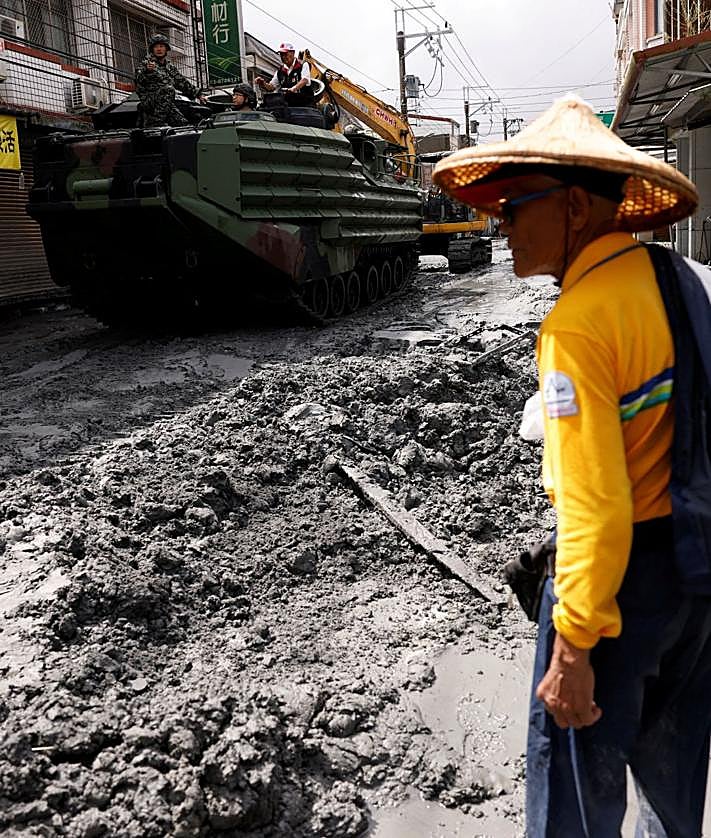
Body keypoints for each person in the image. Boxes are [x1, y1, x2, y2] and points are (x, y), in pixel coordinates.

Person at [433, 95, 711, 836]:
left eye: (516, 205)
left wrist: (574, 645)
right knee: (673, 791)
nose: (501, 223)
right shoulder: (678, 281)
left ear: (575, 210)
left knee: (572, 802)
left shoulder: (577, 324)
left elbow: (595, 504)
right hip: (696, 578)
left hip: (619, 593)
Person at [135, 33, 205, 128]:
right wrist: (148, 71)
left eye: (161, 46)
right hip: (150, 103)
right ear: (152, 49)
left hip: (166, 104)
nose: (159, 49)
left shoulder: (169, 67)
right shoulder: (146, 64)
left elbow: (181, 82)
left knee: (184, 125)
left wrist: (198, 94)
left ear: (166, 49)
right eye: (156, 47)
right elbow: (139, 79)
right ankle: (154, 123)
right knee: (168, 89)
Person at [254, 42, 314, 107]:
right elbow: (271, 87)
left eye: (285, 54)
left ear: (293, 53)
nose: (283, 57)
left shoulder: (303, 65)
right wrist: (263, 83)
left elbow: (305, 80)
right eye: (281, 54)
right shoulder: (280, 71)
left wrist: (293, 89)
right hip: (290, 107)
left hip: (306, 107)